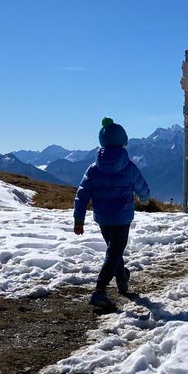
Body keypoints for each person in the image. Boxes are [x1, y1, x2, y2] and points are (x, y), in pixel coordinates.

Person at [73, 117, 151, 311]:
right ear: (123, 141)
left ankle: (122, 278)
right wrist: (144, 199)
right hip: (122, 217)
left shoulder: (93, 168)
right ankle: (99, 291)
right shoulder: (128, 166)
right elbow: (142, 187)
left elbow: (82, 194)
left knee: (114, 250)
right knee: (114, 251)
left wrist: (79, 218)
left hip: (103, 218)